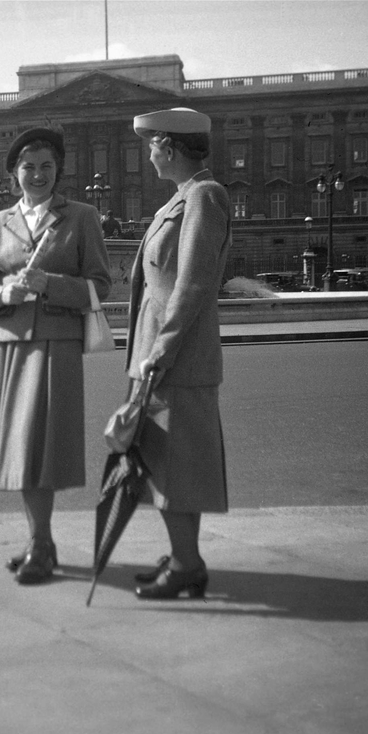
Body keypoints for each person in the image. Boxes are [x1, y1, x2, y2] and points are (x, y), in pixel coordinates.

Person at [0, 127, 111, 585]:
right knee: (16, 449)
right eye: (28, 167)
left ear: (58, 171)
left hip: (53, 344)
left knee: (39, 448)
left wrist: (54, 286)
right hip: (5, 344)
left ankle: (41, 543)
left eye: (47, 166)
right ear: (14, 173)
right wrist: (4, 292)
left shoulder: (82, 217)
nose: (38, 174)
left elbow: (101, 286)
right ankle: (37, 540)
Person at [125, 107, 231, 600]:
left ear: (168, 145)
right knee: (165, 464)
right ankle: (183, 555)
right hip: (163, 354)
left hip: (177, 358)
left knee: (178, 466)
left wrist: (160, 352)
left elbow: (190, 287)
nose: (148, 154)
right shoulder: (182, 198)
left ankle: (188, 563)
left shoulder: (204, 197)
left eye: (151, 145)